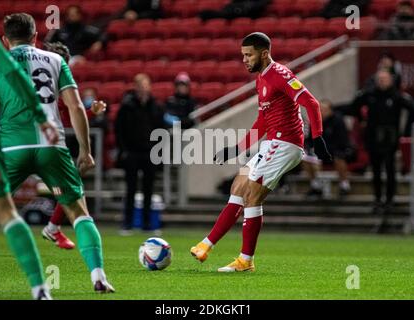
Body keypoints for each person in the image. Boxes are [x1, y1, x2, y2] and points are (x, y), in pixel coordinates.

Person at [0, 13, 114, 293]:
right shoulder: (56, 60)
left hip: (11, 146)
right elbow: (76, 107)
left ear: (5, 39)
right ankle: (98, 276)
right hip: (52, 145)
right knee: (79, 213)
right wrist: (85, 151)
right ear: (35, 36)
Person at [190, 32, 332, 272]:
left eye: (249, 55)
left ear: (264, 53)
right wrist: (237, 148)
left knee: (251, 195)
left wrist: (317, 138)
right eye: (243, 55)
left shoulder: (280, 74)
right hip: (271, 143)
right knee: (238, 187)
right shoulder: (261, 79)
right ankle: (206, 245)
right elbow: (263, 121)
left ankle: (245, 260)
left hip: (286, 143)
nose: (244, 60)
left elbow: (312, 103)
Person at [0, 13, 59, 300]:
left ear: (6, 38)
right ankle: (40, 288)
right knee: (6, 211)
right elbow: (12, 72)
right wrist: (42, 117)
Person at [41, 42, 107, 250]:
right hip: (31, 142)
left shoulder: (53, 87)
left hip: (36, 144)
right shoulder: (44, 85)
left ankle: (52, 228)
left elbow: (71, 115)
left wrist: (91, 113)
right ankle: (53, 228)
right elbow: (72, 110)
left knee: (74, 185)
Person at [340, 69, 414, 216]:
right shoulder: (369, 94)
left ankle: (390, 199)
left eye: (384, 79)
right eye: (379, 79)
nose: (382, 81)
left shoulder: (397, 96)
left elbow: (412, 106)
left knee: (390, 169)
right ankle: (378, 199)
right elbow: (353, 107)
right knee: (375, 170)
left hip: (390, 138)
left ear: (391, 80)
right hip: (373, 137)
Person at [115, 73, 164, 235]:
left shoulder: (155, 106)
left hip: (150, 152)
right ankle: (127, 223)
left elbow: (161, 130)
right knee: (130, 189)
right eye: (141, 85)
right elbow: (119, 130)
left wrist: (159, 152)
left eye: (146, 85)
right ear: (135, 87)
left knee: (149, 189)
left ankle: (147, 224)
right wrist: (124, 151)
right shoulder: (127, 106)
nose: (143, 88)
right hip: (132, 152)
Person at [303, 99, 354, 199]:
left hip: (336, 151)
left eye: (324, 109)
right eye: (320, 109)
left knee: (339, 158)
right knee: (305, 158)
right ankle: (316, 185)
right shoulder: (314, 121)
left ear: (330, 110)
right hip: (320, 152)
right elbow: (309, 140)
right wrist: (310, 149)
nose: (321, 112)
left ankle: (344, 185)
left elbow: (342, 141)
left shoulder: (338, 121)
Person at [199, 0, 271, 21]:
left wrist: (246, 7)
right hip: (235, 10)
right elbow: (233, 3)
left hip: (247, 13)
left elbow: (259, 6)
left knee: (224, 14)